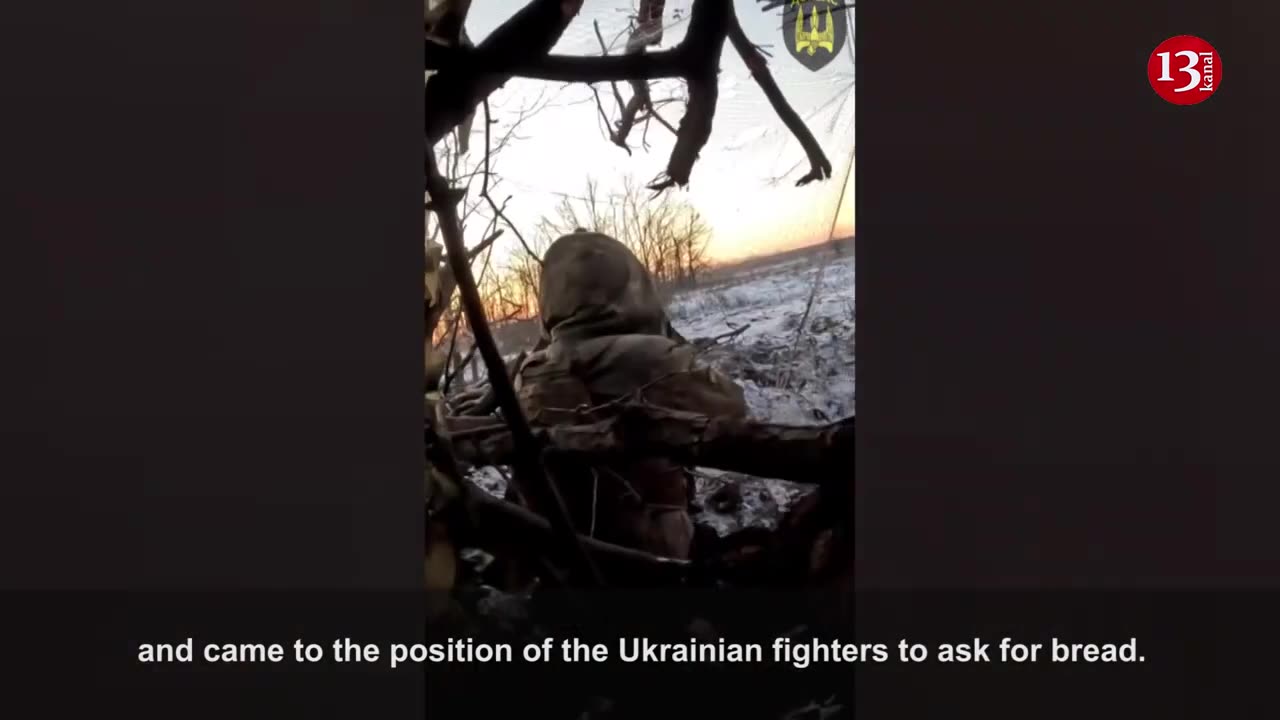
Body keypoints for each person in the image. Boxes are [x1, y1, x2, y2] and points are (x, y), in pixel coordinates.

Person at [456, 230, 746, 561]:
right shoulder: (650, 358)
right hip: (649, 553)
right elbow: (733, 407)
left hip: (556, 551)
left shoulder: (533, 367)